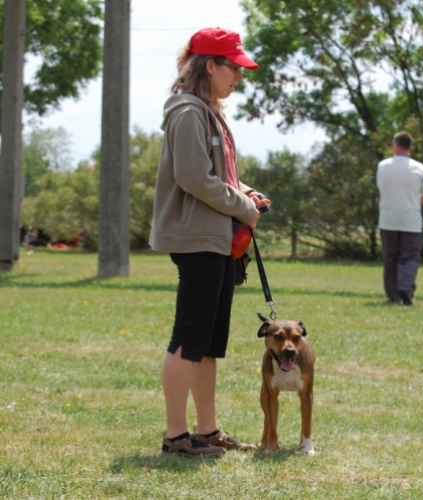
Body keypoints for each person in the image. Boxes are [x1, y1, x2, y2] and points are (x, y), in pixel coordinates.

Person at [149, 27, 270, 457]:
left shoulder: (207, 112)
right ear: (210, 66)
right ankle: (176, 435)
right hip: (197, 237)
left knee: (209, 342)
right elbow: (194, 178)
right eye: (233, 67)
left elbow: (217, 177)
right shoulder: (187, 112)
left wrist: (245, 194)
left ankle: (207, 429)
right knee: (189, 337)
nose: (239, 76)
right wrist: (242, 206)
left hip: (214, 237)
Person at [376, 131, 423, 306]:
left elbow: (382, 189)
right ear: (409, 147)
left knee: (390, 257)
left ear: (396, 145)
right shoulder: (419, 168)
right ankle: (405, 287)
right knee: (409, 257)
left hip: (388, 220)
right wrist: (414, 201)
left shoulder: (383, 166)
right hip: (411, 221)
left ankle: (393, 295)